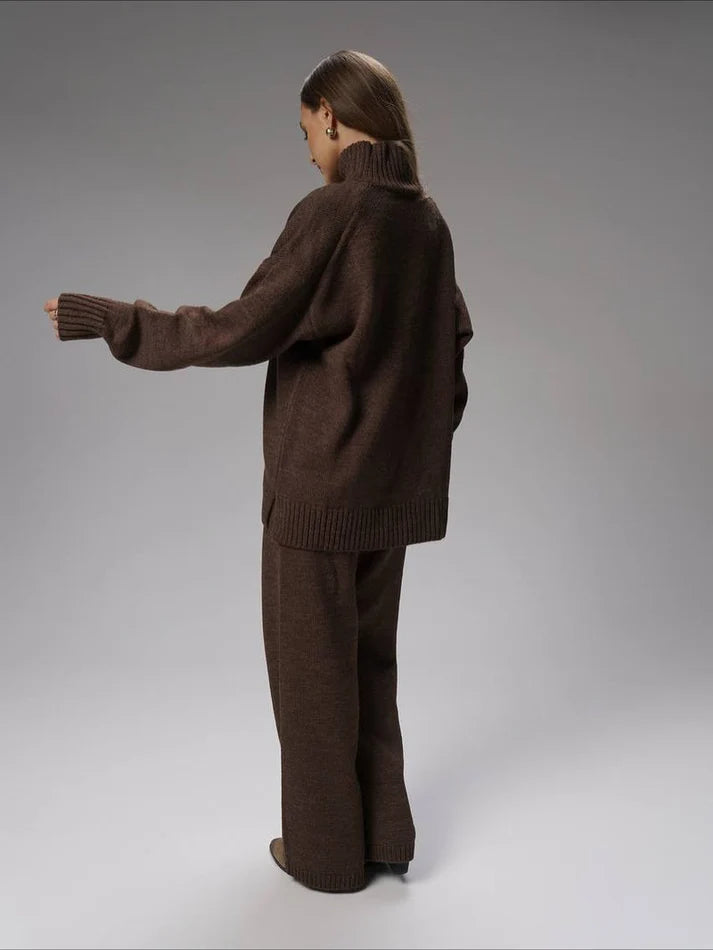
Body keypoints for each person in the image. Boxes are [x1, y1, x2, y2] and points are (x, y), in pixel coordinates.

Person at [44, 48, 474, 894]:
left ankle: (322, 857)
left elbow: (238, 328)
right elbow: (448, 359)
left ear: (330, 116)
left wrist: (113, 320)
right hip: (390, 499)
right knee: (369, 666)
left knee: (312, 683)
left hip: (318, 496)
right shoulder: (426, 223)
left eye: (305, 130)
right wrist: (404, 453)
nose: (307, 150)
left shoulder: (335, 213)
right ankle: (383, 836)